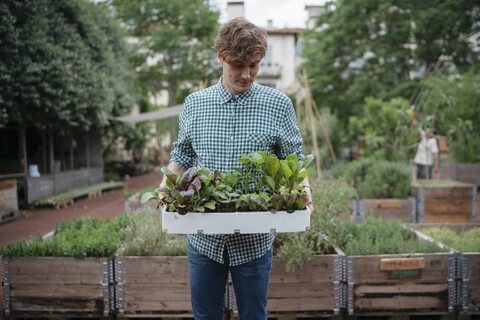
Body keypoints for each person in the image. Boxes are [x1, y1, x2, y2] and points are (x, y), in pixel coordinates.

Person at [158, 17, 313, 320]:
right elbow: (183, 154)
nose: (247, 74)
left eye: (254, 65)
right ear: (220, 57)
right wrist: (166, 187)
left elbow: (294, 157)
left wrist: (305, 190)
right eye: (238, 65)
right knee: (205, 317)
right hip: (204, 237)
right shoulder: (195, 104)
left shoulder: (278, 104)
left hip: (254, 240)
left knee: (254, 315)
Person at [412, 114, 439, 179]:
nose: (427, 132)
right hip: (419, 162)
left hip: (426, 164)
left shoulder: (433, 141)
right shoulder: (424, 136)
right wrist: (412, 117)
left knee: (425, 180)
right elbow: (418, 126)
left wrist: (436, 166)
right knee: (419, 179)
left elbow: (435, 155)